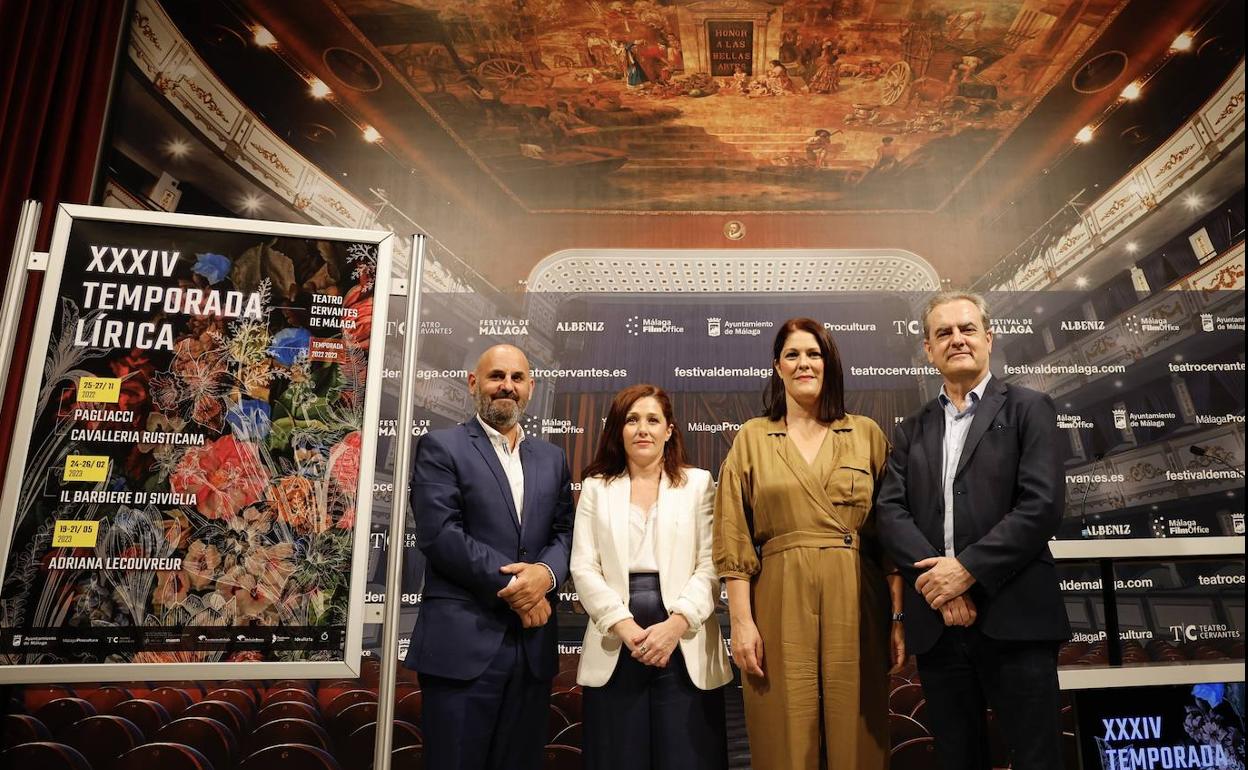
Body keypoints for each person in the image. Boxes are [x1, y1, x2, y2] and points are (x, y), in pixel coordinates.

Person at [876, 292, 1070, 770]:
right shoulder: (910, 430)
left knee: (1036, 759)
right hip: (940, 627)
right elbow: (890, 513)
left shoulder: (1030, 408)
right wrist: (942, 589)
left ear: (988, 337)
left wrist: (966, 572)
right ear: (928, 349)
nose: (956, 339)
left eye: (966, 329)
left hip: (1016, 619)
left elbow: (1041, 506)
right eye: (943, 332)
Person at [714, 318, 905, 770]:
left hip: (857, 595)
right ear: (777, 366)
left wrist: (897, 618)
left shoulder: (866, 434)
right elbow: (733, 537)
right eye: (793, 354)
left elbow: (892, 539)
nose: (804, 363)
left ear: (829, 363)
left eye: (814, 354)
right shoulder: (752, 438)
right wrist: (741, 623)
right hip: (779, 594)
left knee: (858, 733)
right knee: (783, 730)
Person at [406, 344, 575, 770]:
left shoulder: (552, 459)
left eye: (517, 378)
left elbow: (566, 532)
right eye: (496, 376)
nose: (507, 386)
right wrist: (521, 587)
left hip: (531, 653)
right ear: (473, 383)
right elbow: (440, 535)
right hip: (461, 649)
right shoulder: (440, 447)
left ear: (531, 388)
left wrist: (546, 575)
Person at [572, 384, 731, 770]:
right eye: (632, 420)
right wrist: (624, 626)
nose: (642, 429)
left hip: (686, 640)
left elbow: (711, 564)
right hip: (616, 642)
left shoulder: (698, 484)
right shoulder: (595, 487)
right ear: (619, 430)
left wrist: (675, 625)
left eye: (652, 420)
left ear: (669, 430)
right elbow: (583, 566)